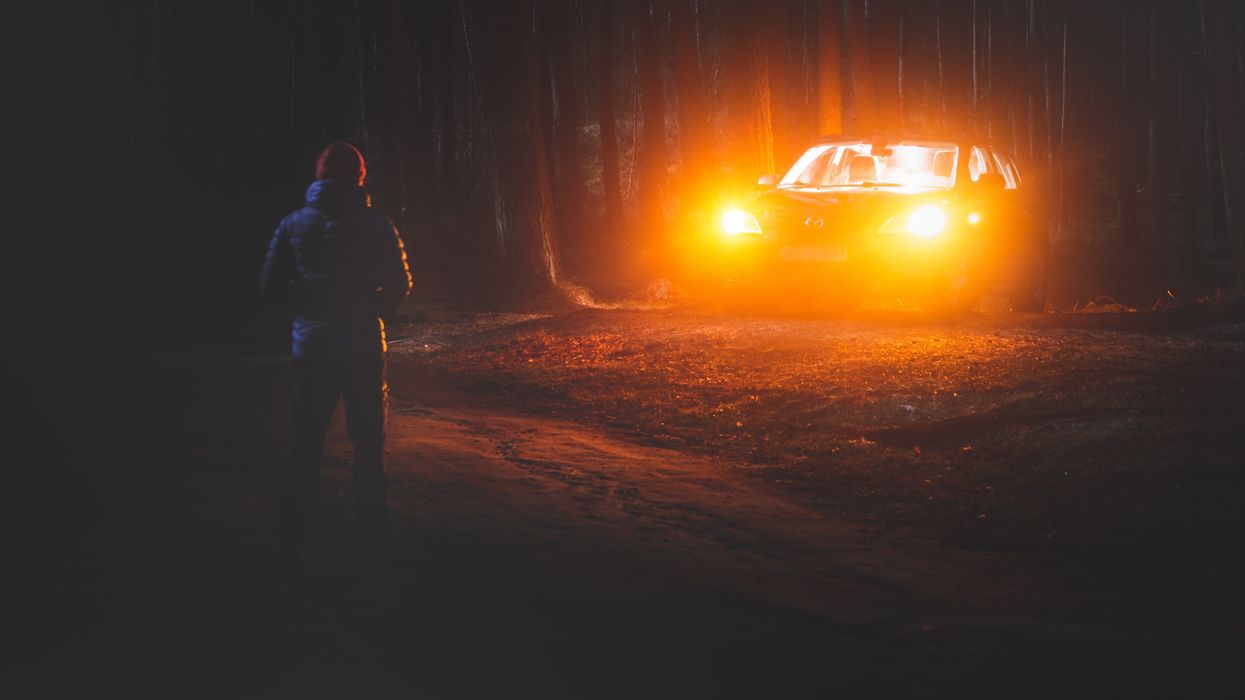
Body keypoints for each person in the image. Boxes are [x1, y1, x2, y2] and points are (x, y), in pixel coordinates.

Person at [260, 141, 412, 564]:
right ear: (360, 176)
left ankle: (289, 544)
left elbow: (269, 288)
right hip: (362, 344)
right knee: (367, 447)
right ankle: (373, 546)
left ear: (319, 176)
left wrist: (308, 309)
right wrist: (369, 310)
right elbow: (401, 283)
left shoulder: (294, 224)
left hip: (313, 347)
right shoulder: (377, 224)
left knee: (306, 444)